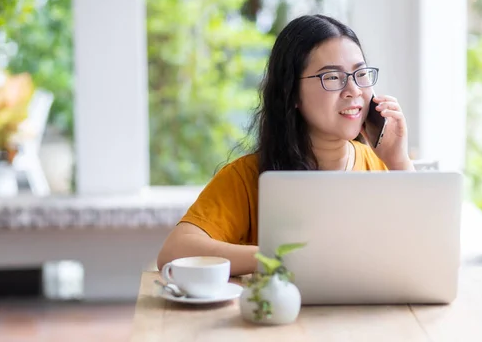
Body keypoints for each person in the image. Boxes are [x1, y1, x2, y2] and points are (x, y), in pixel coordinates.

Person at [157, 14, 414, 275]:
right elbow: (175, 251)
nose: (354, 90)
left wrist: (399, 161)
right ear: (291, 94)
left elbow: (421, 248)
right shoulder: (248, 177)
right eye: (333, 78)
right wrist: (281, 258)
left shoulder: (383, 166)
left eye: (360, 74)